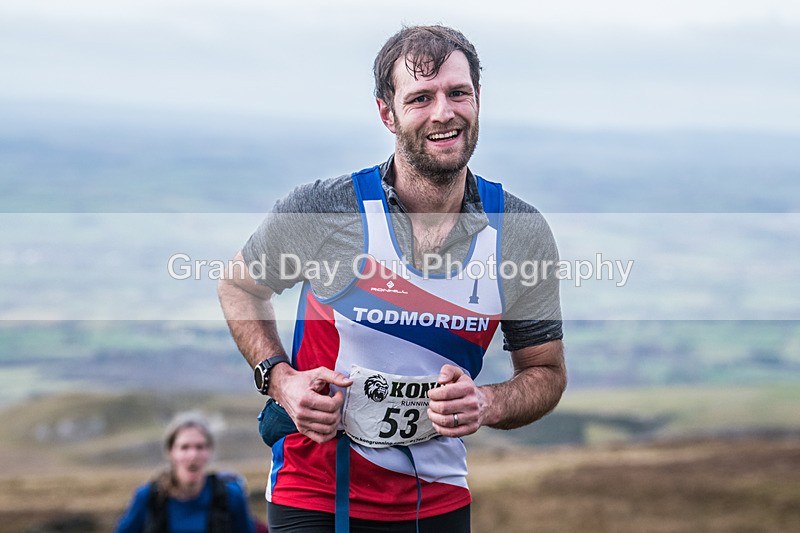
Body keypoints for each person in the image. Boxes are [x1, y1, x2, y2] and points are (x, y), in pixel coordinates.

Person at [218, 25, 566, 532]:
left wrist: (487, 403)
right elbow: (239, 285)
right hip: (316, 493)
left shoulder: (518, 232)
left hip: (438, 498)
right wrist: (281, 380)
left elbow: (547, 374)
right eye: (421, 98)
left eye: (457, 93)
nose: (444, 112)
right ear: (387, 112)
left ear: (478, 99)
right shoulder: (326, 209)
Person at [115, 411, 258, 533]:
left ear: (210, 451)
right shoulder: (148, 497)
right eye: (184, 447)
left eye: (200, 447)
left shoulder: (231, 497)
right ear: (170, 452)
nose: (193, 455)